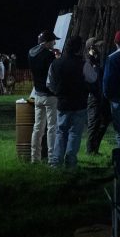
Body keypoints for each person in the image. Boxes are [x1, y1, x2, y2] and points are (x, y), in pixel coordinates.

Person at [47, 34, 97, 169]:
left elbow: (50, 83)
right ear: (78, 48)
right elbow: (93, 78)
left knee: (60, 131)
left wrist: (58, 92)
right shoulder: (83, 64)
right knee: (75, 132)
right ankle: (70, 161)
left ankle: (56, 161)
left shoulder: (56, 63)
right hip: (79, 102)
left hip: (63, 103)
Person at [27, 31, 60, 164]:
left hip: (38, 94)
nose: (54, 43)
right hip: (50, 95)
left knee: (37, 128)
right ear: (47, 42)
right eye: (53, 41)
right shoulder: (49, 55)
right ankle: (52, 158)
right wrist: (57, 57)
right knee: (52, 128)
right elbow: (54, 73)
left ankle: (35, 158)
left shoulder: (31, 53)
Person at [83, 38, 111, 156]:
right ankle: (90, 150)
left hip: (101, 96)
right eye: (98, 46)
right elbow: (88, 81)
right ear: (91, 48)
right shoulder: (88, 61)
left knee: (105, 120)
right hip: (93, 97)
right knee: (93, 123)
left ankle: (95, 147)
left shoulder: (98, 59)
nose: (100, 48)